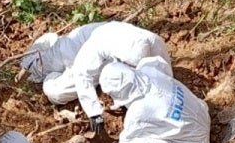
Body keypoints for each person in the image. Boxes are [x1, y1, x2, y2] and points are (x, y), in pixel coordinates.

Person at [20, 21, 171, 134]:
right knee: (54, 89)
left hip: (105, 63)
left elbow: (166, 80)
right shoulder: (102, 44)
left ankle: (55, 73)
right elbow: (82, 74)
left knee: (56, 90)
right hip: (79, 44)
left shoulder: (153, 42)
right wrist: (94, 113)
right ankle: (36, 55)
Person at [98, 57, 210, 143]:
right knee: (157, 126)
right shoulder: (150, 69)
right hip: (202, 114)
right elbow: (160, 62)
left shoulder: (138, 113)